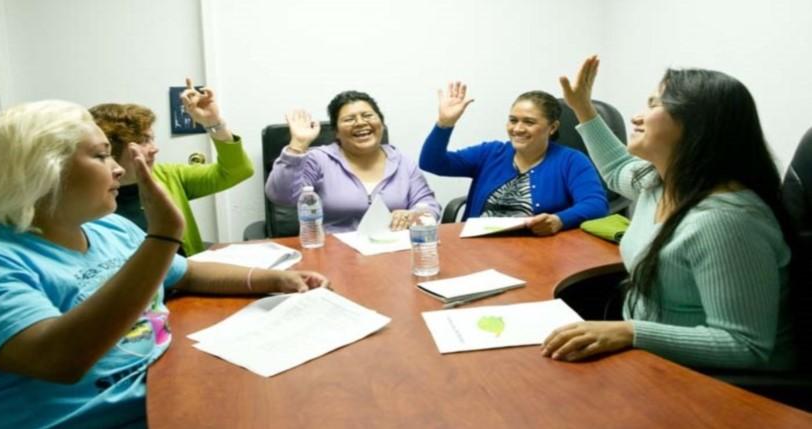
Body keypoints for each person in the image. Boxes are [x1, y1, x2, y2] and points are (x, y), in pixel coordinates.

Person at [0, 100, 328, 428]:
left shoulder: (111, 229)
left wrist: (274, 279)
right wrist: (163, 237)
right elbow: (59, 359)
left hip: (163, 397)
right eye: (100, 156)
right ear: (42, 172)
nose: (116, 168)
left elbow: (188, 271)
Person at [542, 56, 795, 371]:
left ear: (697, 125)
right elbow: (616, 167)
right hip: (654, 359)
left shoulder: (727, 222)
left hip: (714, 384)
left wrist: (630, 332)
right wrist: (582, 107)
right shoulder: (659, 184)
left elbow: (745, 346)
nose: (637, 116)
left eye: (653, 106)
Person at [419, 82, 608, 235]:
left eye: (529, 122)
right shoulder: (491, 152)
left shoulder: (571, 160)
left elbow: (596, 204)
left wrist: (559, 220)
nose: (517, 129)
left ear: (552, 127)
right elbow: (432, 162)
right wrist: (445, 123)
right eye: (513, 120)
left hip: (534, 251)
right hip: (476, 246)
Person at [90, 78, 253, 256]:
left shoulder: (167, 175)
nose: (154, 149)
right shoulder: (88, 200)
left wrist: (213, 123)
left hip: (191, 276)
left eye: (151, 138)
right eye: (143, 141)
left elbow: (237, 171)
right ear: (110, 149)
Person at [265, 90, 441, 232]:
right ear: (336, 132)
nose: (360, 123)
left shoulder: (402, 163)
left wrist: (415, 214)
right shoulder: (318, 159)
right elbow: (282, 197)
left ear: (381, 123)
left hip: (392, 254)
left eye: (368, 115)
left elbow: (428, 205)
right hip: (334, 256)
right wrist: (298, 145)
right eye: (349, 119)